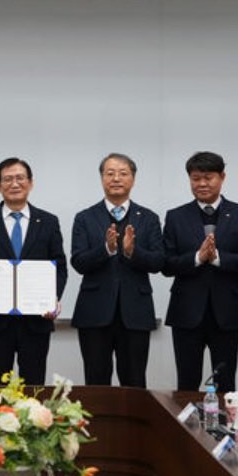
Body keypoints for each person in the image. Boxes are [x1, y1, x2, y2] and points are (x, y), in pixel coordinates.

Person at [0, 158, 67, 385]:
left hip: (36, 321)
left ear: (30, 183)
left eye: (20, 178)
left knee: (34, 386)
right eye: (8, 179)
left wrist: (53, 297)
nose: (14, 184)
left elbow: (59, 266)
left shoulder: (48, 222)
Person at [162, 152, 238, 393]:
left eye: (208, 178)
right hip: (186, 312)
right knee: (187, 383)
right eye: (196, 178)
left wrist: (217, 258)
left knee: (225, 383)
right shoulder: (175, 216)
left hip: (227, 312)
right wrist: (198, 257)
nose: (202, 184)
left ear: (222, 177)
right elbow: (166, 264)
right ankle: (185, 420)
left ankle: (224, 419)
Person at [70, 153, 164, 387]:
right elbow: (78, 261)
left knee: (134, 383)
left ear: (133, 179)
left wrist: (132, 252)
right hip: (94, 313)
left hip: (136, 313)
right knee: (96, 382)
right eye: (110, 173)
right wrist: (107, 249)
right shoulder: (85, 218)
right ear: (102, 178)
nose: (116, 178)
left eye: (123, 173)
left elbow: (158, 262)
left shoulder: (149, 218)